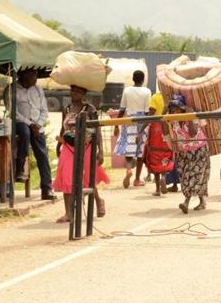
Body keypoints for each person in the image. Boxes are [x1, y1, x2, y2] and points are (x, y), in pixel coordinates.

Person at [52, 85, 110, 223]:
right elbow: (63, 127)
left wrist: (100, 151)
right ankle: (68, 213)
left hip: (86, 147)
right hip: (68, 147)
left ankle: (98, 201)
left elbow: (97, 130)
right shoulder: (66, 109)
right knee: (67, 176)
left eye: (79, 91)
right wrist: (59, 145)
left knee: (86, 177)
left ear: (85, 93)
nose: (75, 93)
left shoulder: (90, 109)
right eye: (73, 90)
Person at [164, 94, 210, 213]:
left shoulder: (192, 116)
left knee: (194, 175)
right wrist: (163, 116)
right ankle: (202, 201)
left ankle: (186, 202)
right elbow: (165, 131)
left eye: (177, 109)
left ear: (183, 109)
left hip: (199, 150)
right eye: (172, 110)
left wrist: (189, 117)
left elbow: (193, 133)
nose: (175, 112)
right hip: (183, 152)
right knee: (186, 176)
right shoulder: (172, 121)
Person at [15, 69, 56, 200]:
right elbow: (13, 112)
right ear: (24, 76)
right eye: (33, 76)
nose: (36, 79)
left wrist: (37, 124)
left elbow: (44, 110)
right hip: (21, 123)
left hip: (37, 127)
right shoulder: (12, 90)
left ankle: (47, 189)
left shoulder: (38, 90)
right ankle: (20, 167)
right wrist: (30, 124)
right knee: (25, 132)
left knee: (43, 155)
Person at [113, 70, 152, 188]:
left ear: (133, 79)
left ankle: (129, 169)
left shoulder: (127, 90)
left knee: (129, 149)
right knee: (140, 152)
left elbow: (122, 109)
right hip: (142, 122)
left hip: (129, 120)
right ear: (143, 79)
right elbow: (147, 111)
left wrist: (116, 125)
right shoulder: (147, 91)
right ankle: (137, 179)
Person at [142, 113, 174, 196]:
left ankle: (157, 190)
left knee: (156, 167)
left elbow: (150, 114)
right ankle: (163, 177)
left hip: (155, 141)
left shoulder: (152, 118)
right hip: (165, 140)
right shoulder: (168, 117)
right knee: (164, 163)